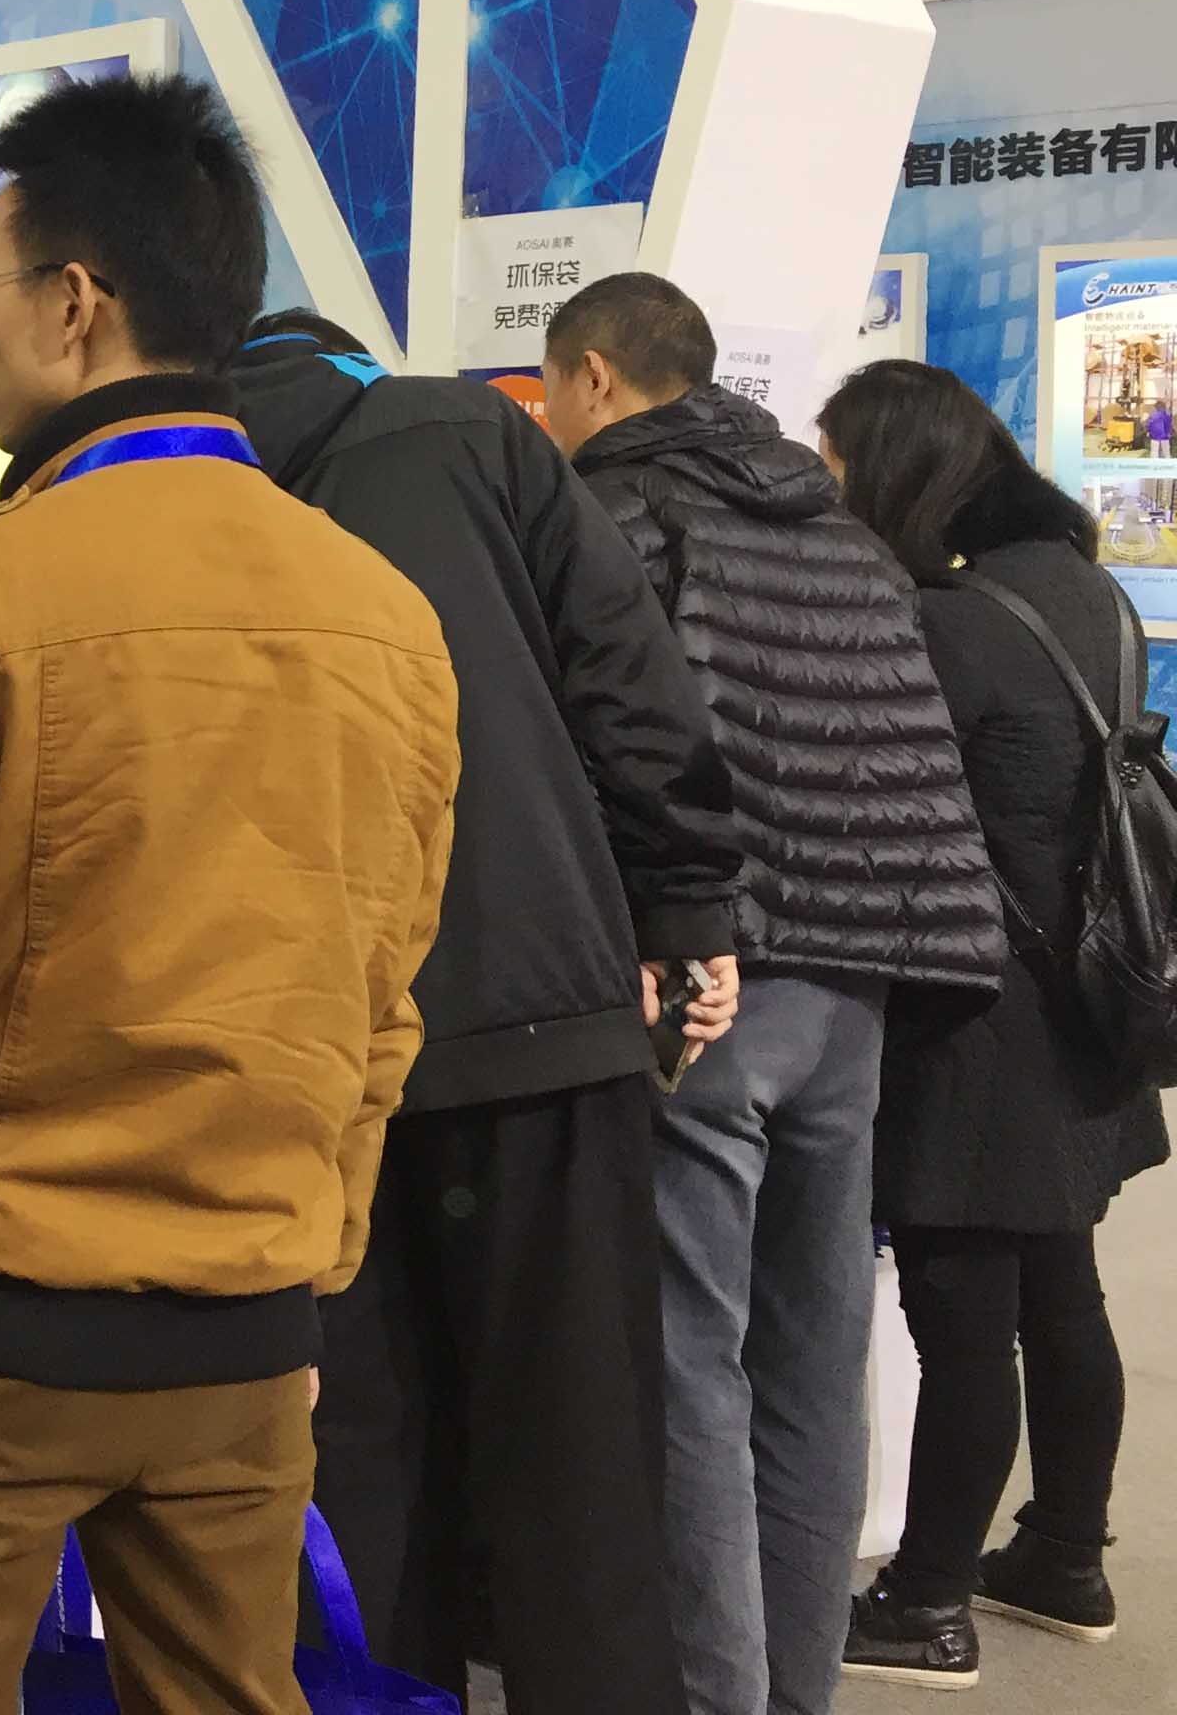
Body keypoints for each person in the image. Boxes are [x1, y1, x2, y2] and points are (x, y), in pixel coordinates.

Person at [0, 76, 460, 1715]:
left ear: (74, 305)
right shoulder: (385, 617)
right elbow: (381, 996)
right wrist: (311, 1254)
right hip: (244, 1335)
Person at [230, 308, 747, 1713]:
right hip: (535, 1010)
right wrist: (685, 910)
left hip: (310, 1042)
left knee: (355, 1469)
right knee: (579, 1466)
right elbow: (628, 679)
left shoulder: (183, 484)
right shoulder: (472, 433)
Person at [542, 272, 1004, 1715]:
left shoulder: (615, 514)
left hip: (712, 978)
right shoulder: (844, 535)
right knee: (814, 1360)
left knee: (691, 1361)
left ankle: (717, 1696)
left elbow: (604, 753)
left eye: (550, 391)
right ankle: (797, 1689)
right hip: (856, 990)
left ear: (595, 378)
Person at [819, 362, 1169, 1687]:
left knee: (963, 1320)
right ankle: (1065, 1559)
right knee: (1062, 1289)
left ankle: (927, 1603)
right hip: (1083, 1004)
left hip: (977, 1024)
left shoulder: (947, 622)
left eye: (840, 466)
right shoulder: (1089, 589)